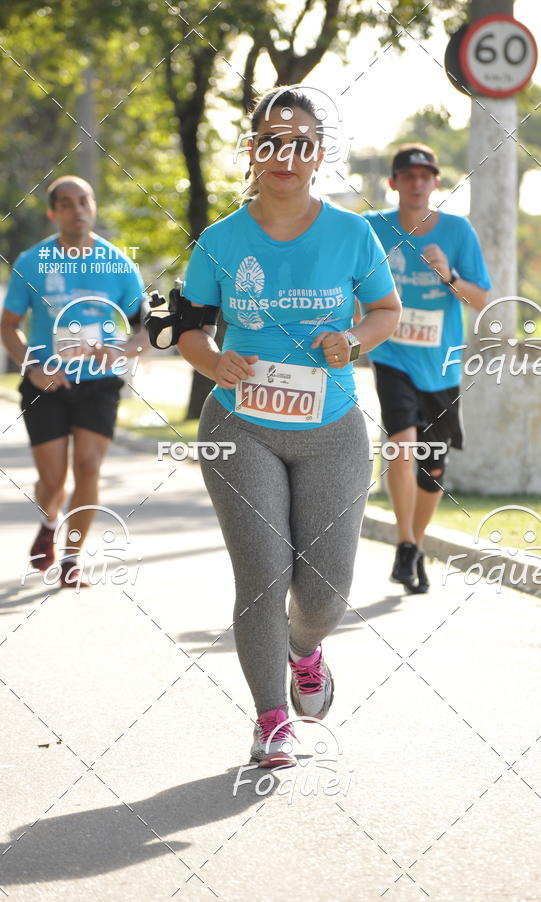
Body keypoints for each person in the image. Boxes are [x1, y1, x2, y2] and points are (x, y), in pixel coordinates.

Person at [177, 87, 401, 768]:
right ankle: (271, 718)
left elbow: (386, 310)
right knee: (263, 576)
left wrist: (353, 341)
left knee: (325, 594)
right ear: (254, 152)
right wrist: (215, 361)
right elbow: (186, 329)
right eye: (273, 140)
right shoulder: (219, 241)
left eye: (302, 142)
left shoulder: (351, 233)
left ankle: (306, 650)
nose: (286, 153)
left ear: (318, 156)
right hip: (240, 425)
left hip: (331, 426)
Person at [1, 175, 148, 589]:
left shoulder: (118, 263)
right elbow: (8, 325)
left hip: (98, 383)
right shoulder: (32, 262)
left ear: (94, 206)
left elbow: (143, 330)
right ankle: (50, 521)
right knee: (53, 482)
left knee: (88, 467)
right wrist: (33, 367)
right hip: (45, 382)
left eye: (84, 201)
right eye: (66, 203)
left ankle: (70, 559)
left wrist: (120, 352)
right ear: (53, 212)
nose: (77, 209)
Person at [363, 144, 490, 592]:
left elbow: (481, 301)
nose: (417, 183)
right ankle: (402, 544)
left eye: (426, 176)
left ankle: (415, 545)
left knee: (433, 469)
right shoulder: (371, 228)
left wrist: (449, 277)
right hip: (391, 353)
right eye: (408, 176)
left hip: (440, 365)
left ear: (436, 183)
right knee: (401, 442)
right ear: (394, 183)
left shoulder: (457, 231)